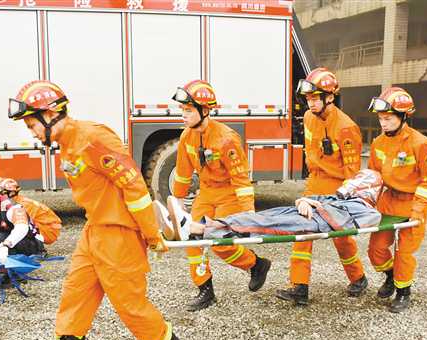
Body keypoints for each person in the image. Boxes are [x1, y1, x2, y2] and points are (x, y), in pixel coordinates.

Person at [9, 80, 187, 340]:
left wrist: (151, 233)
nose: (32, 132)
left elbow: (133, 187)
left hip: (119, 232)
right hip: (96, 229)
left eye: (31, 124)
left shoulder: (93, 138)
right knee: (76, 290)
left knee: (127, 301)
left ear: (50, 113)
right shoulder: (67, 145)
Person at [169, 79, 271, 312]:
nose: (183, 115)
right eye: (182, 110)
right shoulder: (187, 137)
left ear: (204, 111)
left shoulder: (227, 139)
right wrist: (176, 204)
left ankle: (256, 264)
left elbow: (241, 179)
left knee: (219, 243)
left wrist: (248, 215)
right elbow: (183, 174)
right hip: (206, 193)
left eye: (187, 110)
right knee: (191, 238)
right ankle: (205, 289)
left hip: (229, 195)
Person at [275, 68, 366, 306]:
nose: (311, 103)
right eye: (308, 98)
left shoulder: (346, 128)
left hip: (337, 186)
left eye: (316, 98)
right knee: (302, 232)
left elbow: (352, 172)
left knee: (342, 238)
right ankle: (299, 287)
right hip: (315, 182)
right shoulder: (308, 117)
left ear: (330, 97)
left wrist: (346, 201)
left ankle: (358, 278)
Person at [157, 169, 382, 243]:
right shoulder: (346, 200)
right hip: (306, 213)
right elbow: (323, 200)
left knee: (256, 223)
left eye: (359, 181)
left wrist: (315, 206)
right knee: (258, 218)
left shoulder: (369, 211)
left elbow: (344, 224)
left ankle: (194, 229)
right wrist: (305, 200)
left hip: (313, 222)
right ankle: (192, 227)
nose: (352, 183)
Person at [366, 87, 427, 313]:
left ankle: (403, 291)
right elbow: (373, 177)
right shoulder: (378, 143)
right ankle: (390, 276)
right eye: (380, 119)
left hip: (412, 204)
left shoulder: (420, 143)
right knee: (376, 249)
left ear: (403, 116)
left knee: (404, 253)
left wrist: (418, 211)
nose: (383, 123)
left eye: (388, 118)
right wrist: (365, 203)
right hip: (389, 202)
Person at [0, 178, 62, 247]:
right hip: (48, 229)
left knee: (20, 230)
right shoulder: (19, 201)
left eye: (3, 193)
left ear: (11, 193)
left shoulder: (23, 205)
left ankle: (38, 248)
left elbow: (23, 226)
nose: (1, 196)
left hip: (48, 232)